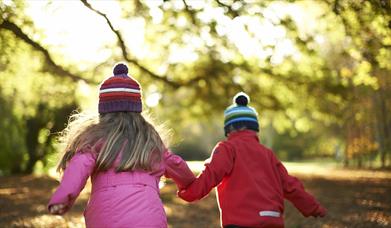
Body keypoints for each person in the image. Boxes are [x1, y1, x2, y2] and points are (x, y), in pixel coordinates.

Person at [48, 63, 195, 228]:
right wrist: (190, 185)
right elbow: (175, 163)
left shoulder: (95, 138)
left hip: (104, 218)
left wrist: (61, 199)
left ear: (103, 110)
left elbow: (78, 167)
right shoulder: (149, 138)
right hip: (149, 220)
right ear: (137, 109)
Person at [178, 92, 326, 228]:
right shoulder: (268, 154)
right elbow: (290, 185)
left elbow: (211, 175)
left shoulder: (228, 148)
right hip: (273, 220)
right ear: (255, 129)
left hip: (241, 222)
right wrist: (314, 208)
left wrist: (188, 192)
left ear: (229, 130)